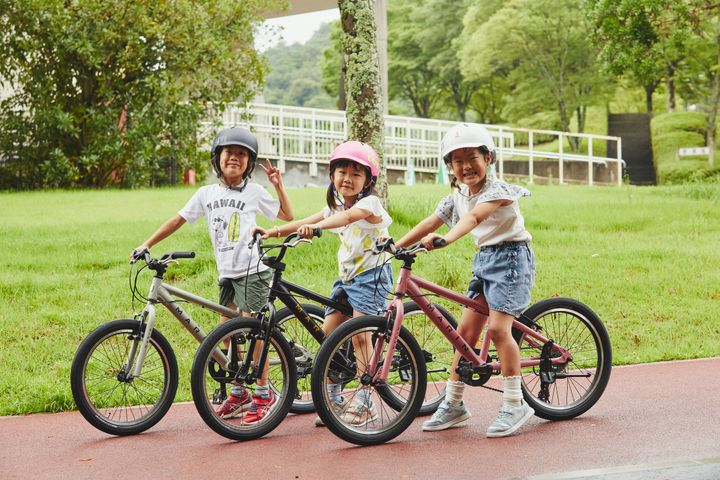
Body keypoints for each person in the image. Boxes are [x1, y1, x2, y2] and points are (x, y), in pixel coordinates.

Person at [131, 126, 293, 423]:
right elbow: (177, 220)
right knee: (229, 337)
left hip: (252, 269)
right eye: (229, 153)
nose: (235, 158)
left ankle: (263, 392)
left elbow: (286, 216)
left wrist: (278, 184)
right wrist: (147, 243)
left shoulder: (255, 192)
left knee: (256, 332)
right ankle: (240, 392)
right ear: (217, 158)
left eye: (242, 155)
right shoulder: (206, 194)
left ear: (249, 163)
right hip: (227, 273)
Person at [393, 123, 536, 438]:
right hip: (485, 261)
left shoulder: (497, 191)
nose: (465, 166)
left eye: (472, 157)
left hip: (511, 260)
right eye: (457, 161)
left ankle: (515, 403)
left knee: (499, 329)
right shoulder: (456, 195)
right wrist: (394, 245)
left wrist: (445, 240)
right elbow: (431, 220)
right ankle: (454, 403)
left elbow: (473, 219)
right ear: (450, 168)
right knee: (464, 334)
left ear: (488, 157)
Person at [255, 140, 392, 428]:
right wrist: (272, 231)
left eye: (357, 174)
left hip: (372, 276)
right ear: (332, 176)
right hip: (347, 279)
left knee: (359, 336)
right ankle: (335, 397)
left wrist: (317, 228)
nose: (348, 179)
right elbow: (309, 219)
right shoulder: (335, 205)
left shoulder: (370, 204)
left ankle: (367, 399)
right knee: (329, 336)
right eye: (342, 172)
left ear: (368, 180)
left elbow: (349, 217)